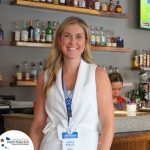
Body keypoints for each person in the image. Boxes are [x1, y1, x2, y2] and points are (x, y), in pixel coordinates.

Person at [29, 16, 114, 150]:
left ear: (86, 42)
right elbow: (38, 124)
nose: (73, 42)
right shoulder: (44, 77)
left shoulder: (98, 75)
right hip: (51, 145)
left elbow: (108, 124)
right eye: (67, 36)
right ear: (59, 40)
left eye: (79, 37)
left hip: (87, 145)